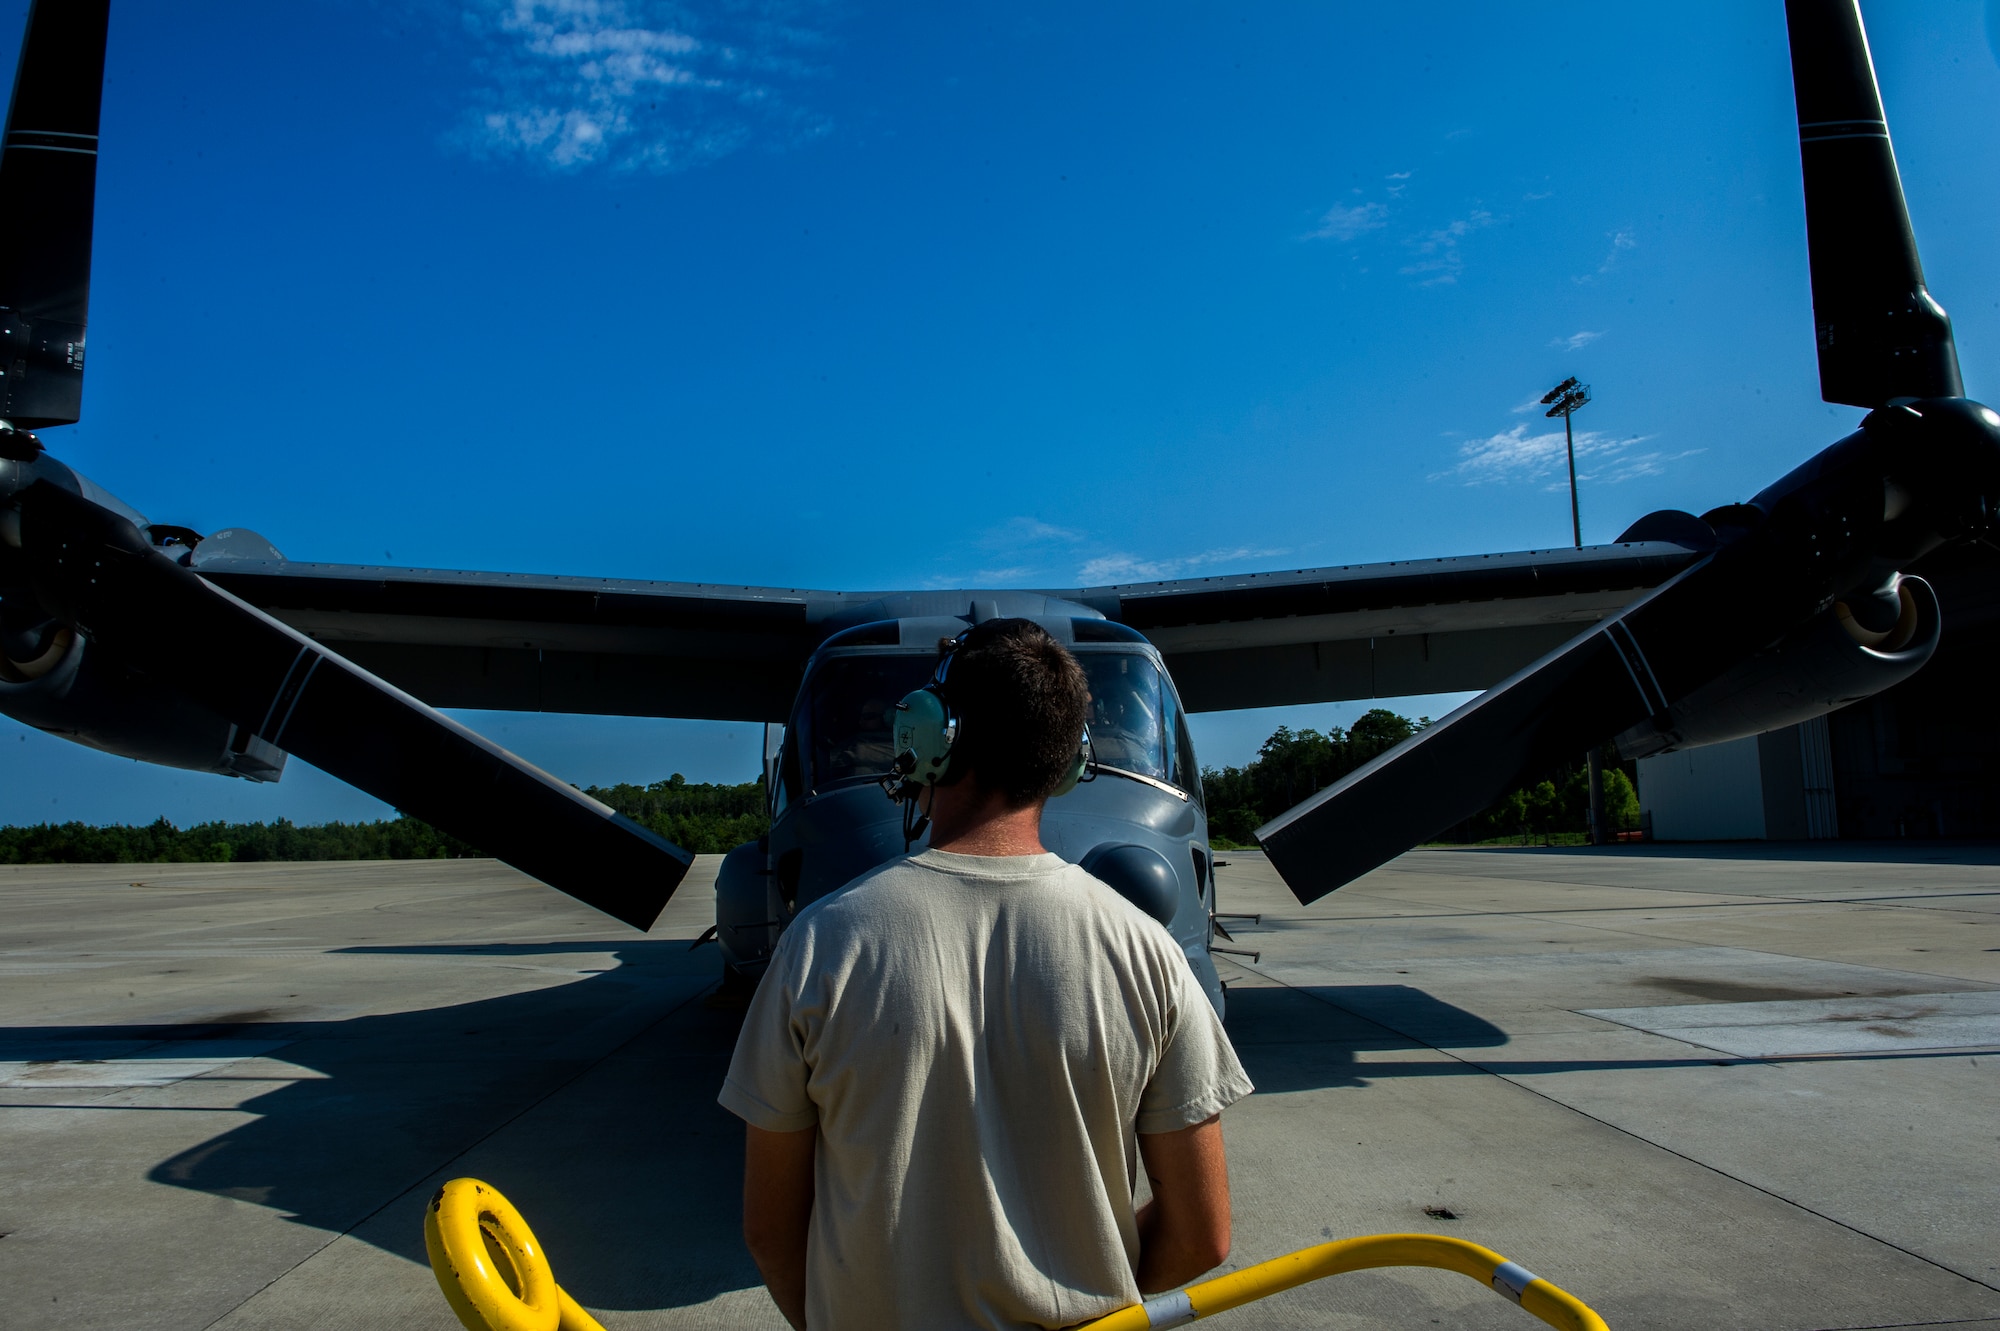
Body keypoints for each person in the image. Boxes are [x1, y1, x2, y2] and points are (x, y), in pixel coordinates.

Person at [719, 618, 1253, 1331]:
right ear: (1068, 761)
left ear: (932, 734)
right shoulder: (1150, 955)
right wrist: (1099, 1296)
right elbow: (1204, 1232)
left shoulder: (820, 944)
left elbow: (769, 1228)